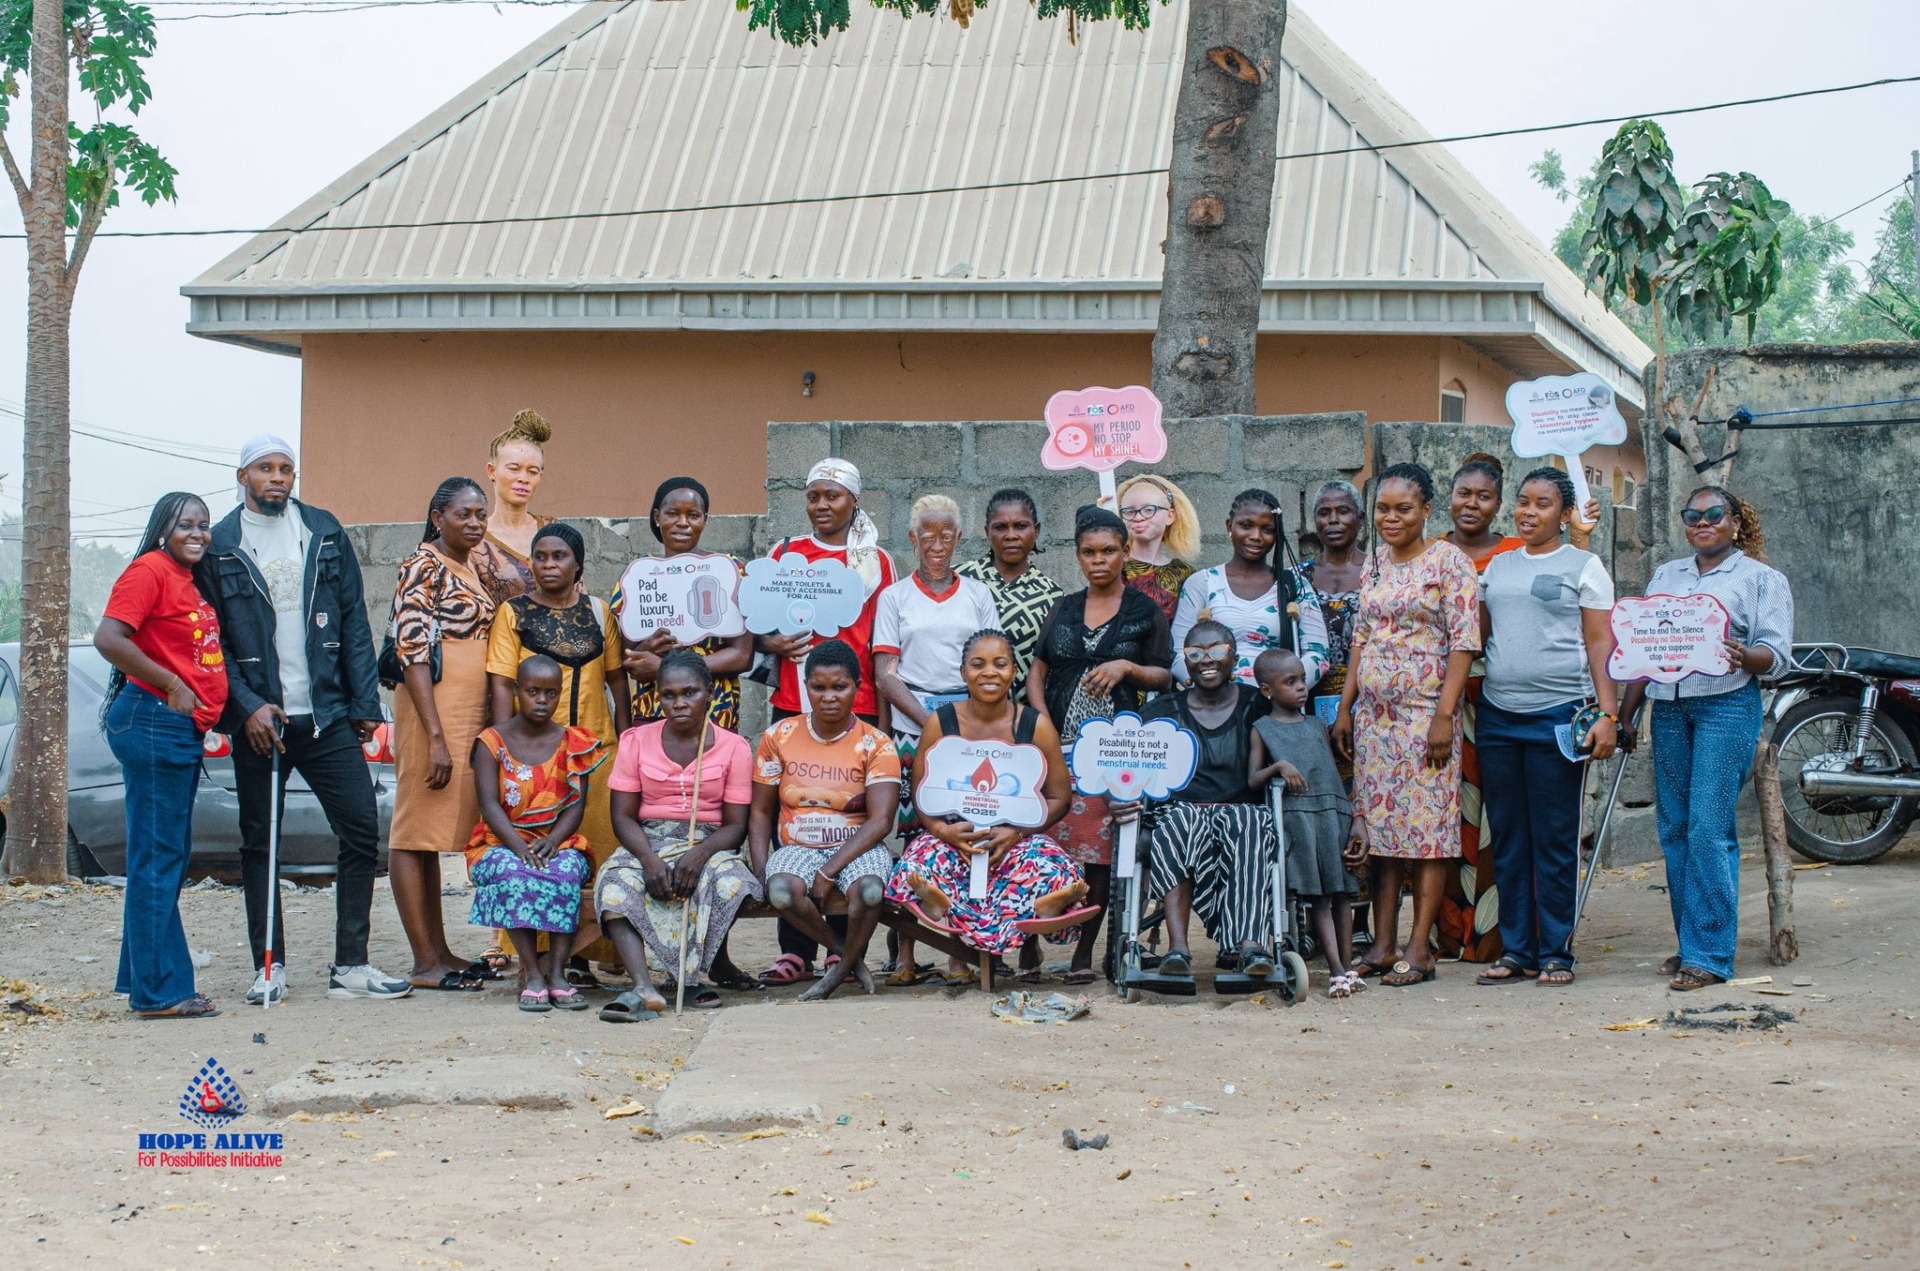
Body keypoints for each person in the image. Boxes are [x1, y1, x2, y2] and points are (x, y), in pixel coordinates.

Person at [204, 435, 410, 1006]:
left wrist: (365, 706)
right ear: (242, 475)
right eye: (265, 468)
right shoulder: (221, 543)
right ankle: (269, 967)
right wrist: (245, 707)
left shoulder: (322, 531)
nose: (278, 477)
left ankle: (351, 965)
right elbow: (213, 642)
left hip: (324, 717)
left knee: (362, 829)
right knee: (259, 843)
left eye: (286, 468)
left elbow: (352, 621)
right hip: (260, 724)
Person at [1620, 486, 1793, 992]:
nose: (1703, 522)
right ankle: (1692, 942)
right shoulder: (1665, 575)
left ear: (1736, 522)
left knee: (1708, 828)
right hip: (1670, 708)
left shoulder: (1761, 579)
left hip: (1726, 704)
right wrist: (1628, 716)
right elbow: (1643, 650)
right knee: (1674, 826)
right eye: (1692, 515)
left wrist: (1744, 655)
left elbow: (1776, 655)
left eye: (1715, 514)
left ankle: (1712, 955)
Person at [1331, 463, 1479, 988]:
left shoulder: (1450, 563)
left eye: (1403, 508)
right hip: (1376, 722)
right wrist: (1346, 707)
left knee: (1430, 833)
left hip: (1425, 719)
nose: (1391, 518)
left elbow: (1464, 642)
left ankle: (1420, 950)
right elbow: (1360, 640)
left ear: (1426, 511)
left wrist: (1444, 715)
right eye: (1383, 509)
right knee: (1384, 832)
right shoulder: (1372, 563)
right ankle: (1384, 943)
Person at [1474, 467, 1620, 989]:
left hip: (1560, 716)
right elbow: (1483, 637)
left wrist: (1608, 715)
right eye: (1523, 502)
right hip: (1498, 717)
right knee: (1509, 839)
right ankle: (1517, 951)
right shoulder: (1496, 567)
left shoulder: (1585, 566)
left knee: (1554, 838)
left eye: (1543, 504)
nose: (1529, 512)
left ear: (1564, 513)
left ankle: (1556, 950)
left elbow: (1601, 644)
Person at [755, 458, 897, 982]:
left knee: (849, 821)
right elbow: (754, 626)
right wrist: (771, 642)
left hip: (855, 710)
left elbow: (883, 643)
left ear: (853, 501)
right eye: (813, 495)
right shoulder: (785, 553)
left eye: (832, 495)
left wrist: (880, 723)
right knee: (793, 824)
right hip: (795, 704)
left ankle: (846, 944)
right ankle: (799, 949)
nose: (821, 505)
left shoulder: (876, 561)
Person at [94, 493, 229, 1019]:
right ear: (161, 530)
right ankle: (160, 992)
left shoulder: (184, 579)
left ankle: (143, 979)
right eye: (184, 525)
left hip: (171, 728)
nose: (196, 533)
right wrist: (172, 683)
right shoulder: (149, 571)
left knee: (158, 856)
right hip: (152, 720)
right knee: (158, 859)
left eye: (203, 525)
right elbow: (109, 637)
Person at [1029, 506, 1174, 983]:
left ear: (1125, 551)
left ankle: (1083, 953)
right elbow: (1038, 671)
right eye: (1089, 552)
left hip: (1114, 753)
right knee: (1040, 840)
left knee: (1099, 850)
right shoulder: (1065, 607)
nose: (1099, 560)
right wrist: (1042, 728)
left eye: (1109, 550)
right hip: (1057, 745)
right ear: (1077, 556)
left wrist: (1126, 668)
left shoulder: (1143, 611)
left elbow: (1166, 675)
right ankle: (1029, 947)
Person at [887, 630, 1088, 959]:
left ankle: (1043, 904)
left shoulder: (1034, 726)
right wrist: (941, 831)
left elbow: (1060, 798)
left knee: (1055, 867)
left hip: (1013, 840)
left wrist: (1017, 833)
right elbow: (922, 791)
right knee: (919, 860)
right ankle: (940, 902)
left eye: (1000, 664)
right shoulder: (942, 722)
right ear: (963, 672)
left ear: (1014, 671)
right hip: (956, 839)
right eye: (978, 664)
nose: (990, 672)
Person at [486, 521, 628, 980]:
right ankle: (549, 960)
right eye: (541, 557)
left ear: (578, 564)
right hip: (535, 759)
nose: (549, 564)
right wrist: (503, 748)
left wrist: (627, 740)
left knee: (599, 854)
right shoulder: (513, 613)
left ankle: (601, 953)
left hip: (599, 752)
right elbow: (502, 684)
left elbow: (616, 679)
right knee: (541, 856)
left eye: (559, 556)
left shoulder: (599, 611)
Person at [596, 651, 759, 1017]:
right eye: (668, 695)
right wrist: (649, 860)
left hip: (709, 841)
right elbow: (622, 817)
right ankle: (643, 985)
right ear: (657, 696)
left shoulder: (734, 747)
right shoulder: (635, 741)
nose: (679, 703)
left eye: (691, 693)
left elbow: (735, 825)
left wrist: (698, 855)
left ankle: (690, 977)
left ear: (710, 694)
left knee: (729, 881)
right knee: (615, 882)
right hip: (647, 839)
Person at [387, 477, 498, 992]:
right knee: (414, 830)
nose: (475, 524)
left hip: (466, 708)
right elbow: (411, 650)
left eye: (481, 515)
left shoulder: (473, 563)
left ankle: (439, 951)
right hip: (433, 710)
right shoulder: (422, 565)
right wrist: (434, 735)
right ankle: (423, 961)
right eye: (464, 515)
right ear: (438, 517)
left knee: (433, 834)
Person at [750, 641, 902, 1001]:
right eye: (818, 687)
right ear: (806, 687)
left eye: (840, 687)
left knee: (869, 891)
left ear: (857, 687)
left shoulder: (876, 744)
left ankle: (836, 972)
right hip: (798, 845)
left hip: (856, 846)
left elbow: (881, 821)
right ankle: (848, 958)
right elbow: (760, 812)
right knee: (782, 891)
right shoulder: (779, 736)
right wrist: (761, 870)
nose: (829, 697)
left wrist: (828, 870)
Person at [466, 656, 606, 1013]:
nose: (542, 700)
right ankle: (532, 974)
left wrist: (553, 841)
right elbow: (489, 805)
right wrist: (518, 847)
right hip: (500, 842)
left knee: (565, 873)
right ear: (516, 691)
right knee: (513, 874)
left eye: (550, 693)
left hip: (556, 839)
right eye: (532, 691)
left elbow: (576, 806)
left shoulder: (574, 742)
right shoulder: (491, 742)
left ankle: (557, 973)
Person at [1135, 619, 1271, 978]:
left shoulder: (1257, 705)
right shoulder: (1162, 711)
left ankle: (1250, 945)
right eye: (1195, 653)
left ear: (1234, 656)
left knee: (1250, 822)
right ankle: (1177, 948)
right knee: (1178, 822)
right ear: (1185, 661)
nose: (1205, 660)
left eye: (1216, 651)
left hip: (1241, 811)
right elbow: (1125, 761)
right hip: (1181, 813)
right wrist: (1120, 794)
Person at [1437, 453, 1525, 962]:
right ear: (1449, 498)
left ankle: (1493, 937)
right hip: (1440, 703)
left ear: (1498, 504)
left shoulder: (1515, 553)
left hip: (1496, 698)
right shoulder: (1430, 553)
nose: (1472, 504)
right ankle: (1445, 932)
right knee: (1446, 815)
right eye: (1464, 494)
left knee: (1494, 816)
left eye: (1484, 496)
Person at [1249, 648, 1363, 996]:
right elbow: (1253, 779)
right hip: (1298, 819)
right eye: (1290, 682)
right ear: (1267, 690)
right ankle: (1336, 970)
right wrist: (1278, 767)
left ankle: (1348, 968)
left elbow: (1330, 774)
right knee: (1322, 900)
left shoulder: (1316, 724)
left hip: (1332, 816)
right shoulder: (1262, 729)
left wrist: (1353, 816)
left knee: (1344, 895)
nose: (1302, 688)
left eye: (1302, 680)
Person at [617, 476, 753, 731]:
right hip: (654, 709)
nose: (683, 523)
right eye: (672, 514)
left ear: (704, 519)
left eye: (693, 515)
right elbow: (630, 658)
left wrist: (665, 668)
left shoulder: (729, 571)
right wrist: (646, 648)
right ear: (657, 517)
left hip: (714, 710)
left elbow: (742, 655)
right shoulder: (638, 576)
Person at [1172, 487, 1331, 689]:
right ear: (1229, 526)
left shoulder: (1294, 585)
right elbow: (1178, 652)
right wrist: (1208, 691)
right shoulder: (1201, 583)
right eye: (1246, 525)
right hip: (1212, 704)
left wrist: (1285, 690)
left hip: (1275, 705)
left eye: (1267, 529)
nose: (1256, 536)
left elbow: (1318, 653)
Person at [955, 488, 1064, 701]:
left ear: (1037, 530)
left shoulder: (1052, 595)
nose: (1011, 535)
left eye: (1021, 526)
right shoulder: (960, 579)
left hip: (1020, 719)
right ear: (987, 532)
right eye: (1000, 527)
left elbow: (1047, 671)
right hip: (960, 714)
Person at [472, 409, 557, 604]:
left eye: (533, 471)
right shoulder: (473, 541)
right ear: (492, 471)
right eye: (514, 468)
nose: (523, 478)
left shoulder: (554, 531)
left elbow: (579, 598)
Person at [1116, 473, 1200, 621]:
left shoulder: (1184, 573)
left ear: (1170, 516)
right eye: (1129, 511)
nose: (1138, 517)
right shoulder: (1115, 567)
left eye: (1149, 510)